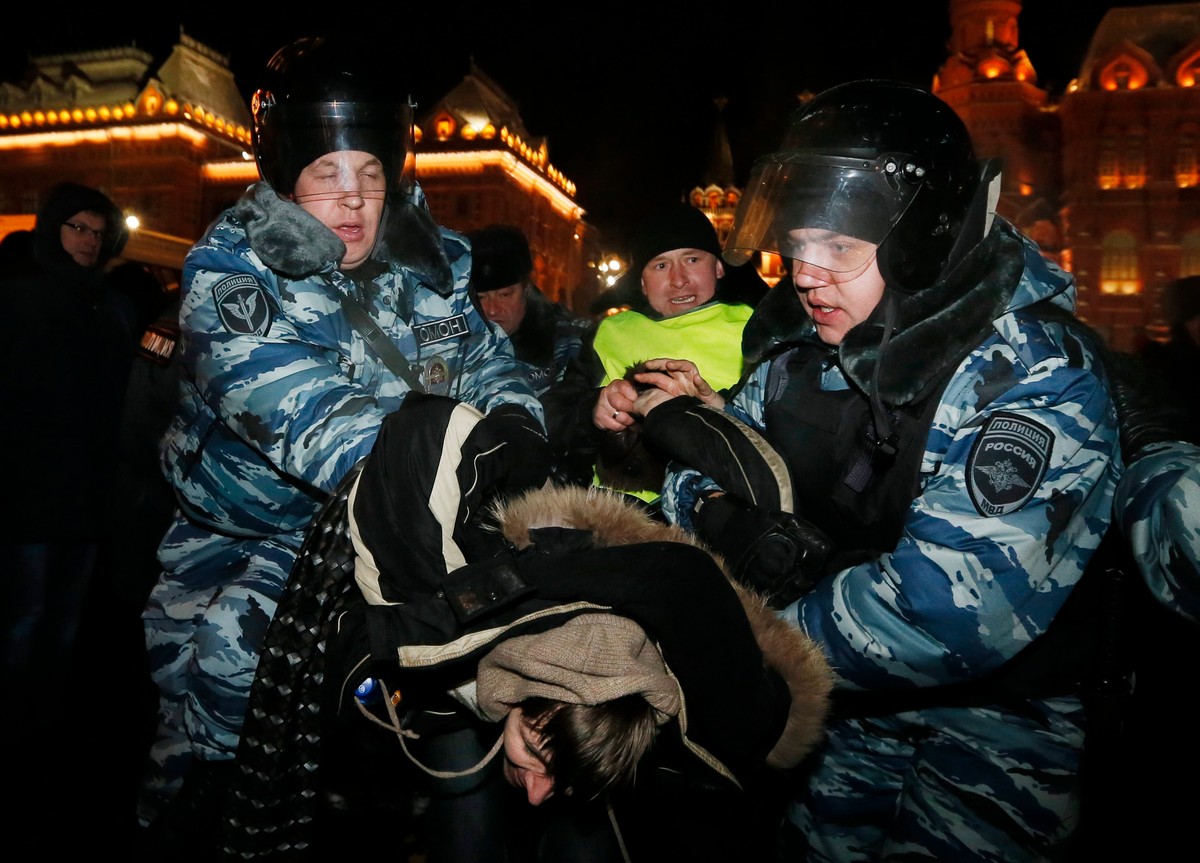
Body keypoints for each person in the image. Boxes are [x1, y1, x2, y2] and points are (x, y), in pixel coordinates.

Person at [631, 80, 1121, 861]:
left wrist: (734, 632)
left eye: (840, 250)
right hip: (844, 708)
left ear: (922, 241)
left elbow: (949, 611)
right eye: (797, 245)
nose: (804, 273)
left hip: (997, 730)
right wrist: (722, 512)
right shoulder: (803, 345)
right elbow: (698, 469)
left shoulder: (1033, 373)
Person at [137, 35, 545, 857]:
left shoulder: (432, 268)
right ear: (288, 176)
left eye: (370, 174)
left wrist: (518, 448)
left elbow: (497, 373)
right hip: (259, 536)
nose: (353, 200)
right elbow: (320, 425)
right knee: (222, 686)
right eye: (328, 174)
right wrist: (462, 468)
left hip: (413, 532)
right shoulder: (233, 276)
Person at [219, 393, 833, 862]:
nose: (535, 790)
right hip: (516, 630)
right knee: (469, 839)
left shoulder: (722, 714)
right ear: (532, 699)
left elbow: (683, 579)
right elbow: (424, 434)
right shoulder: (521, 578)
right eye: (539, 756)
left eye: (552, 775)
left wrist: (674, 416)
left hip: (673, 739)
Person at [0, 181, 136, 685]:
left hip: (89, 494)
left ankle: (50, 720)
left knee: (67, 619)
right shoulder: (15, 300)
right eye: (78, 227)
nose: (89, 240)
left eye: (99, 232)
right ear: (53, 228)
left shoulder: (115, 309)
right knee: (24, 615)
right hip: (26, 493)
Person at [542, 201, 764, 503]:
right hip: (614, 512)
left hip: (721, 509)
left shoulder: (757, 329)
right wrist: (593, 410)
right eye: (661, 265)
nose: (679, 279)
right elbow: (550, 415)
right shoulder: (608, 332)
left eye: (693, 259)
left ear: (719, 267)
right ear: (642, 284)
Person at [468, 223, 590, 395]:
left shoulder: (574, 342)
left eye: (505, 295)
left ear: (526, 290)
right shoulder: (455, 347)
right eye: (481, 298)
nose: (492, 310)